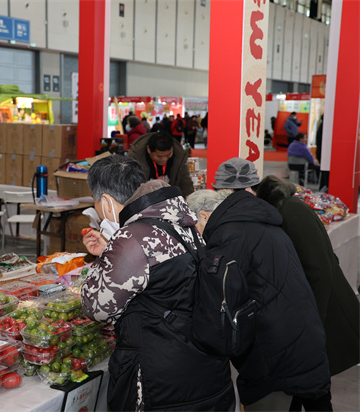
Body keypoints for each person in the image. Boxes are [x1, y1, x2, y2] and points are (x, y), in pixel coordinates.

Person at [81, 155, 235, 411]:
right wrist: (111, 252)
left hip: (160, 381)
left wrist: (107, 259)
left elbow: (96, 307)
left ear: (106, 202)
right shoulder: (184, 222)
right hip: (204, 367)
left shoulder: (133, 236)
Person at [203, 157, 331, 411]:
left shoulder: (230, 233)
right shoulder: (269, 221)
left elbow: (221, 302)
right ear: (253, 186)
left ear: (220, 191)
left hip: (274, 354)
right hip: (305, 341)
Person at [254, 175, 360, 381]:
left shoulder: (291, 211)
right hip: (315, 308)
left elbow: (319, 271)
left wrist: (313, 321)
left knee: (312, 384)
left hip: (326, 309)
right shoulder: (284, 208)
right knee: (308, 385)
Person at [127, 131, 194, 196]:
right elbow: (130, 187)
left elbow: (185, 181)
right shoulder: (135, 158)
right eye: (159, 156)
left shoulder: (178, 155)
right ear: (149, 150)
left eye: (168, 154)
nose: (164, 159)